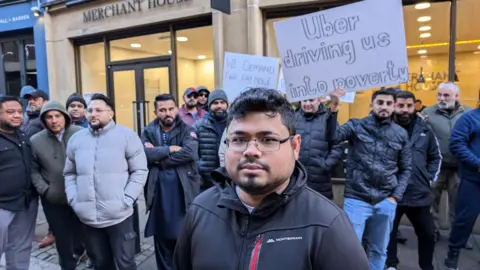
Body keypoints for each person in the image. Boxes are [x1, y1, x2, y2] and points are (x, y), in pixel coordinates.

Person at [173, 88, 369, 270]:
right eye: (239, 139)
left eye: (268, 140)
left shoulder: (328, 225)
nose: (251, 151)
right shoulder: (201, 210)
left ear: (294, 147)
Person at [64, 93, 148, 270]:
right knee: (101, 264)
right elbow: (69, 173)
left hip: (119, 215)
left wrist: (126, 199)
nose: (93, 114)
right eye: (90, 110)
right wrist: (74, 199)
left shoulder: (127, 136)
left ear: (111, 114)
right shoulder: (76, 140)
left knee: (126, 263)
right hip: (88, 217)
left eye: (98, 110)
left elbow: (139, 170)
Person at [331, 88, 412, 270]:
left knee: (379, 250)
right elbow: (332, 137)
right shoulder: (356, 126)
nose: (384, 107)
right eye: (380, 103)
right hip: (357, 198)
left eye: (388, 103)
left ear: (393, 107)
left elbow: (406, 169)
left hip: (386, 200)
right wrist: (334, 107)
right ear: (372, 104)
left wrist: (395, 198)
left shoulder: (400, 133)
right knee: (349, 248)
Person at [142, 94, 201, 270]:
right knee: (161, 237)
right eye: (162, 110)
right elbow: (144, 153)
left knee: (182, 239)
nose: (167, 113)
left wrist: (160, 159)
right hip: (158, 193)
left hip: (182, 192)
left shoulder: (187, 129)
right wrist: (168, 149)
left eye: (170, 108)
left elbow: (190, 153)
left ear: (176, 109)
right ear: (155, 111)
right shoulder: (148, 131)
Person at [385, 91, 441, 270]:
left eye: (408, 106)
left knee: (427, 233)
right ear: (394, 105)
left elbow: (435, 157)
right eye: (400, 106)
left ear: (414, 106)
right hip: (391, 192)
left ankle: (426, 266)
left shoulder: (425, 129)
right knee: (388, 233)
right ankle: (391, 264)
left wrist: (428, 178)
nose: (404, 110)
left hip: (418, 193)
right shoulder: (384, 127)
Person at [30, 101, 84, 270]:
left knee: (83, 235)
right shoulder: (35, 141)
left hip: (81, 198)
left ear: (65, 117)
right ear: (44, 120)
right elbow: (33, 170)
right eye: (49, 117)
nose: (54, 120)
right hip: (54, 200)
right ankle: (67, 265)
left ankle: (80, 251)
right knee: (62, 240)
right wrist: (45, 190)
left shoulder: (81, 134)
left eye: (57, 116)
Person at [421, 82, 473, 244]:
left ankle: (458, 237)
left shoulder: (469, 112)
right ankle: (432, 232)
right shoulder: (428, 112)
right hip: (436, 166)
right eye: (439, 95)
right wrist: (420, 122)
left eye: (446, 95)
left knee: (459, 203)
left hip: (460, 166)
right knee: (431, 201)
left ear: (456, 96)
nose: (442, 99)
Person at [0, 95, 38, 269]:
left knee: (20, 248)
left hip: (25, 203)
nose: (16, 115)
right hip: (2, 206)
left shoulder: (23, 136)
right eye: (10, 112)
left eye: (19, 112)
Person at [444, 106, 480, 270]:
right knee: (464, 220)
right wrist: (477, 164)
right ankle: (453, 253)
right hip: (473, 180)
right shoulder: (469, 118)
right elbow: (457, 143)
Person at [295, 91, 344, 199]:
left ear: (319, 100)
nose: (307, 104)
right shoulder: (294, 118)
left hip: (320, 180)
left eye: (311, 100)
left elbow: (337, 145)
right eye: (304, 100)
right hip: (297, 178)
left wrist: (326, 165)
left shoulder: (329, 118)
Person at [193, 89, 229, 191]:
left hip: (229, 178)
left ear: (227, 105)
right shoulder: (199, 126)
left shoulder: (234, 124)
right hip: (206, 182)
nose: (219, 106)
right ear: (209, 105)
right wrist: (199, 171)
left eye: (222, 102)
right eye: (215, 103)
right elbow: (193, 153)